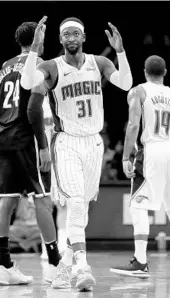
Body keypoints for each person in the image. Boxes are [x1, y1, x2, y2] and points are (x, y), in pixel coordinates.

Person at [21, 16, 133, 291]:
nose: (71, 38)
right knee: (75, 205)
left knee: (81, 213)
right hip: (67, 142)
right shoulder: (51, 67)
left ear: (83, 37)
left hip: (94, 143)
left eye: (75, 34)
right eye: (66, 35)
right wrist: (35, 48)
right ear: (60, 40)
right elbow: (27, 83)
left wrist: (121, 51)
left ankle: (63, 267)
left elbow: (126, 83)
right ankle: (82, 266)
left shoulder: (100, 63)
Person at [0, 21, 61, 286]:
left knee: (6, 201)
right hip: (27, 137)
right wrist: (43, 145)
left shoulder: (4, 66)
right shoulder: (40, 64)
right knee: (43, 200)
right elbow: (33, 109)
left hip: (4, 135)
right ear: (39, 39)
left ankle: (4, 265)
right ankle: (57, 265)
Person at [110, 55, 170, 278]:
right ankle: (141, 262)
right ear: (164, 73)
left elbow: (134, 124)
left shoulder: (139, 91)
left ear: (144, 71)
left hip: (152, 150)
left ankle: (141, 262)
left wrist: (126, 157)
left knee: (138, 206)